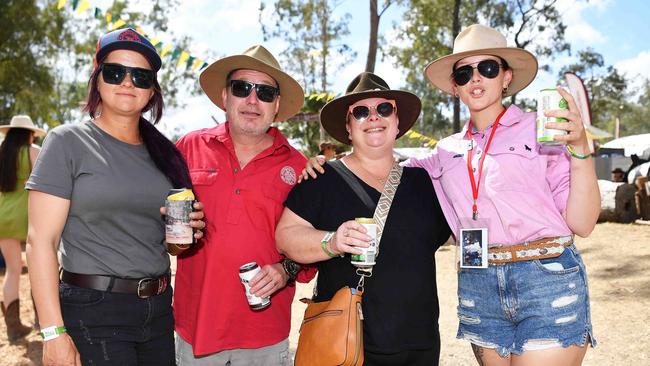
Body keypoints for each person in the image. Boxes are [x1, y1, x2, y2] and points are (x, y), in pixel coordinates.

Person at [413, 24, 599, 365]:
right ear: (455, 86)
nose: (476, 79)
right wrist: (323, 167)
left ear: (506, 77)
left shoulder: (542, 128)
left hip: (546, 278)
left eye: (487, 68)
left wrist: (581, 150)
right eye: (464, 72)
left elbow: (583, 223)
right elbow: (382, 171)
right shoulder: (443, 152)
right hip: (478, 283)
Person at [26, 28, 204, 366]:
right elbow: (39, 242)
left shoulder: (165, 155)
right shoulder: (67, 142)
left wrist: (185, 235)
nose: (127, 82)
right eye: (115, 72)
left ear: (152, 91)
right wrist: (52, 333)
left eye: (140, 76)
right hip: (94, 311)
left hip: (158, 311)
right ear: (97, 80)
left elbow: (169, 245)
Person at [276, 72, 451, 365]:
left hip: (420, 346)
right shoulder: (322, 178)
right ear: (348, 127)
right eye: (360, 112)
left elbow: (451, 232)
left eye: (384, 109)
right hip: (348, 344)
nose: (373, 118)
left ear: (397, 122)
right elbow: (286, 236)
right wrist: (332, 241)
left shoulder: (423, 181)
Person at [173, 45, 314, 365]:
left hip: (264, 336)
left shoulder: (300, 167)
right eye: (242, 88)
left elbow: (312, 251)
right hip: (197, 333)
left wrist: (285, 269)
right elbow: (161, 230)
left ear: (276, 105)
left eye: (265, 92)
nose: (253, 100)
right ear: (225, 96)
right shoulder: (188, 147)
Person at [0, 115, 44, 341]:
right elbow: (43, 185)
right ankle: (40, 320)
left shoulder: (2, 153)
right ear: (29, 133)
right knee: (38, 267)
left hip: (3, 215)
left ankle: (13, 327)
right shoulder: (33, 151)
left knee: (12, 271)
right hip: (28, 216)